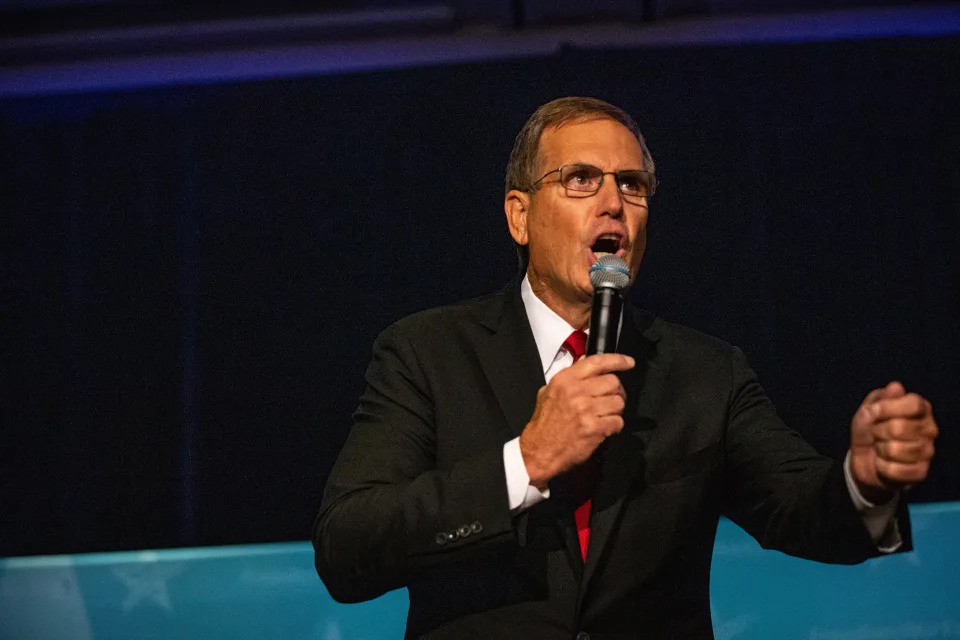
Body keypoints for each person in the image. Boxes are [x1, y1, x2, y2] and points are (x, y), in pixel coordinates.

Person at [312, 97, 938, 639]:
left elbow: (802, 508)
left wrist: (866, 480)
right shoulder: (427, 352)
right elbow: (348, 549)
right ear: (519, 216)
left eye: (632, 185)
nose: (614, 202)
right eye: (581, 179)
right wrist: (524, 462)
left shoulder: (703, 372)